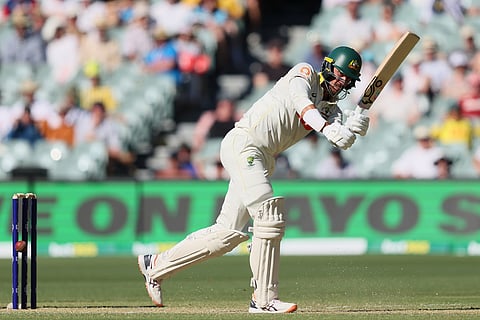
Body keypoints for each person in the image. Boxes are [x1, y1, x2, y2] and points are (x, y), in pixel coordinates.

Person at [137, 46, 369, 313]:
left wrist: (355, 128)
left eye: (347, 81)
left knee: (227, 234)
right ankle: (263, 299)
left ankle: (156, 266)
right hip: (245, 145)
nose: (341, 84)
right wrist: (330, 129)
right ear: (327, 67)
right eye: (339, 76)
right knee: (269, 215)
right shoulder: (303, 74)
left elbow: (343, 136)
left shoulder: (330, 109)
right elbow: (303, 106)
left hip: (263, 157)